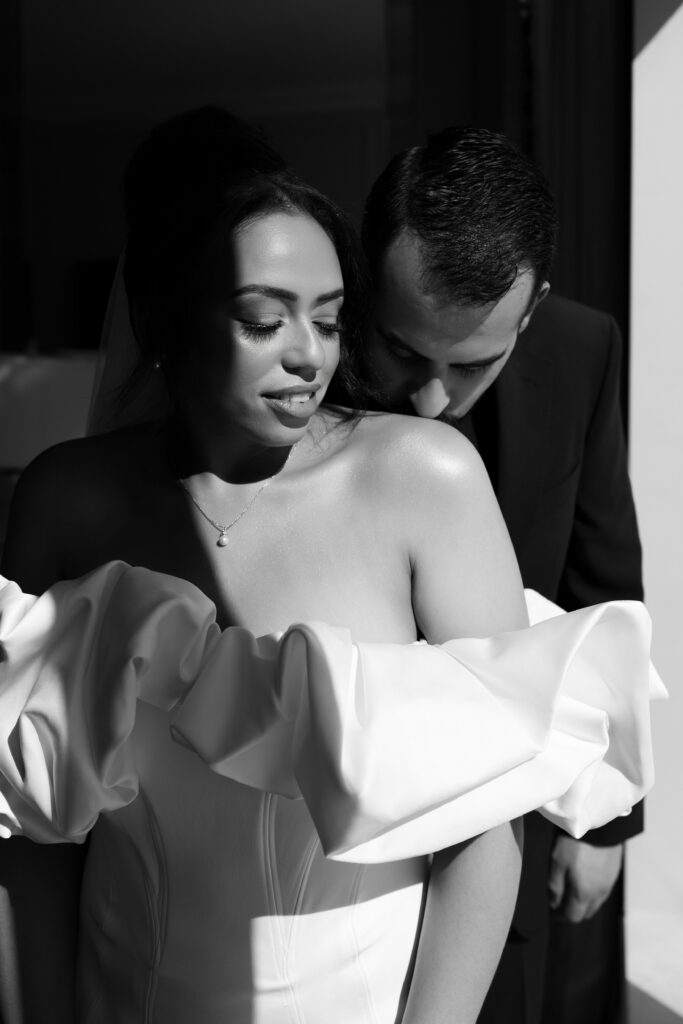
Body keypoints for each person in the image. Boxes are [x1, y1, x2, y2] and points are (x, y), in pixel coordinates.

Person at [0, 110, 657, 1024]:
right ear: (165, 318)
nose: (309, 354)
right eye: (264, 319)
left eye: (328, 319)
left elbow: (487, 805)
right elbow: (33, 836)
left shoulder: (427, 470)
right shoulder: (65, 502)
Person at [360, 126, 644, 1024]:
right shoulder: (308, 343)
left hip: (503, 834)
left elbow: (600, 576)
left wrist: (606, 821)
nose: (431, 401)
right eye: (404, 354)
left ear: (532, 309)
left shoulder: (581, 348)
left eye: (472, 363)